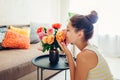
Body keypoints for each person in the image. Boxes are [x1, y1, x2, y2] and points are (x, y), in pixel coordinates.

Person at [57, 11, 114, 80]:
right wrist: (68, 54)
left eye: (68, 30)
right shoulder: (90, 49)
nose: (64, 31)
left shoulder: (84, 56)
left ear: (80, 34)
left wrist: (68, 54)